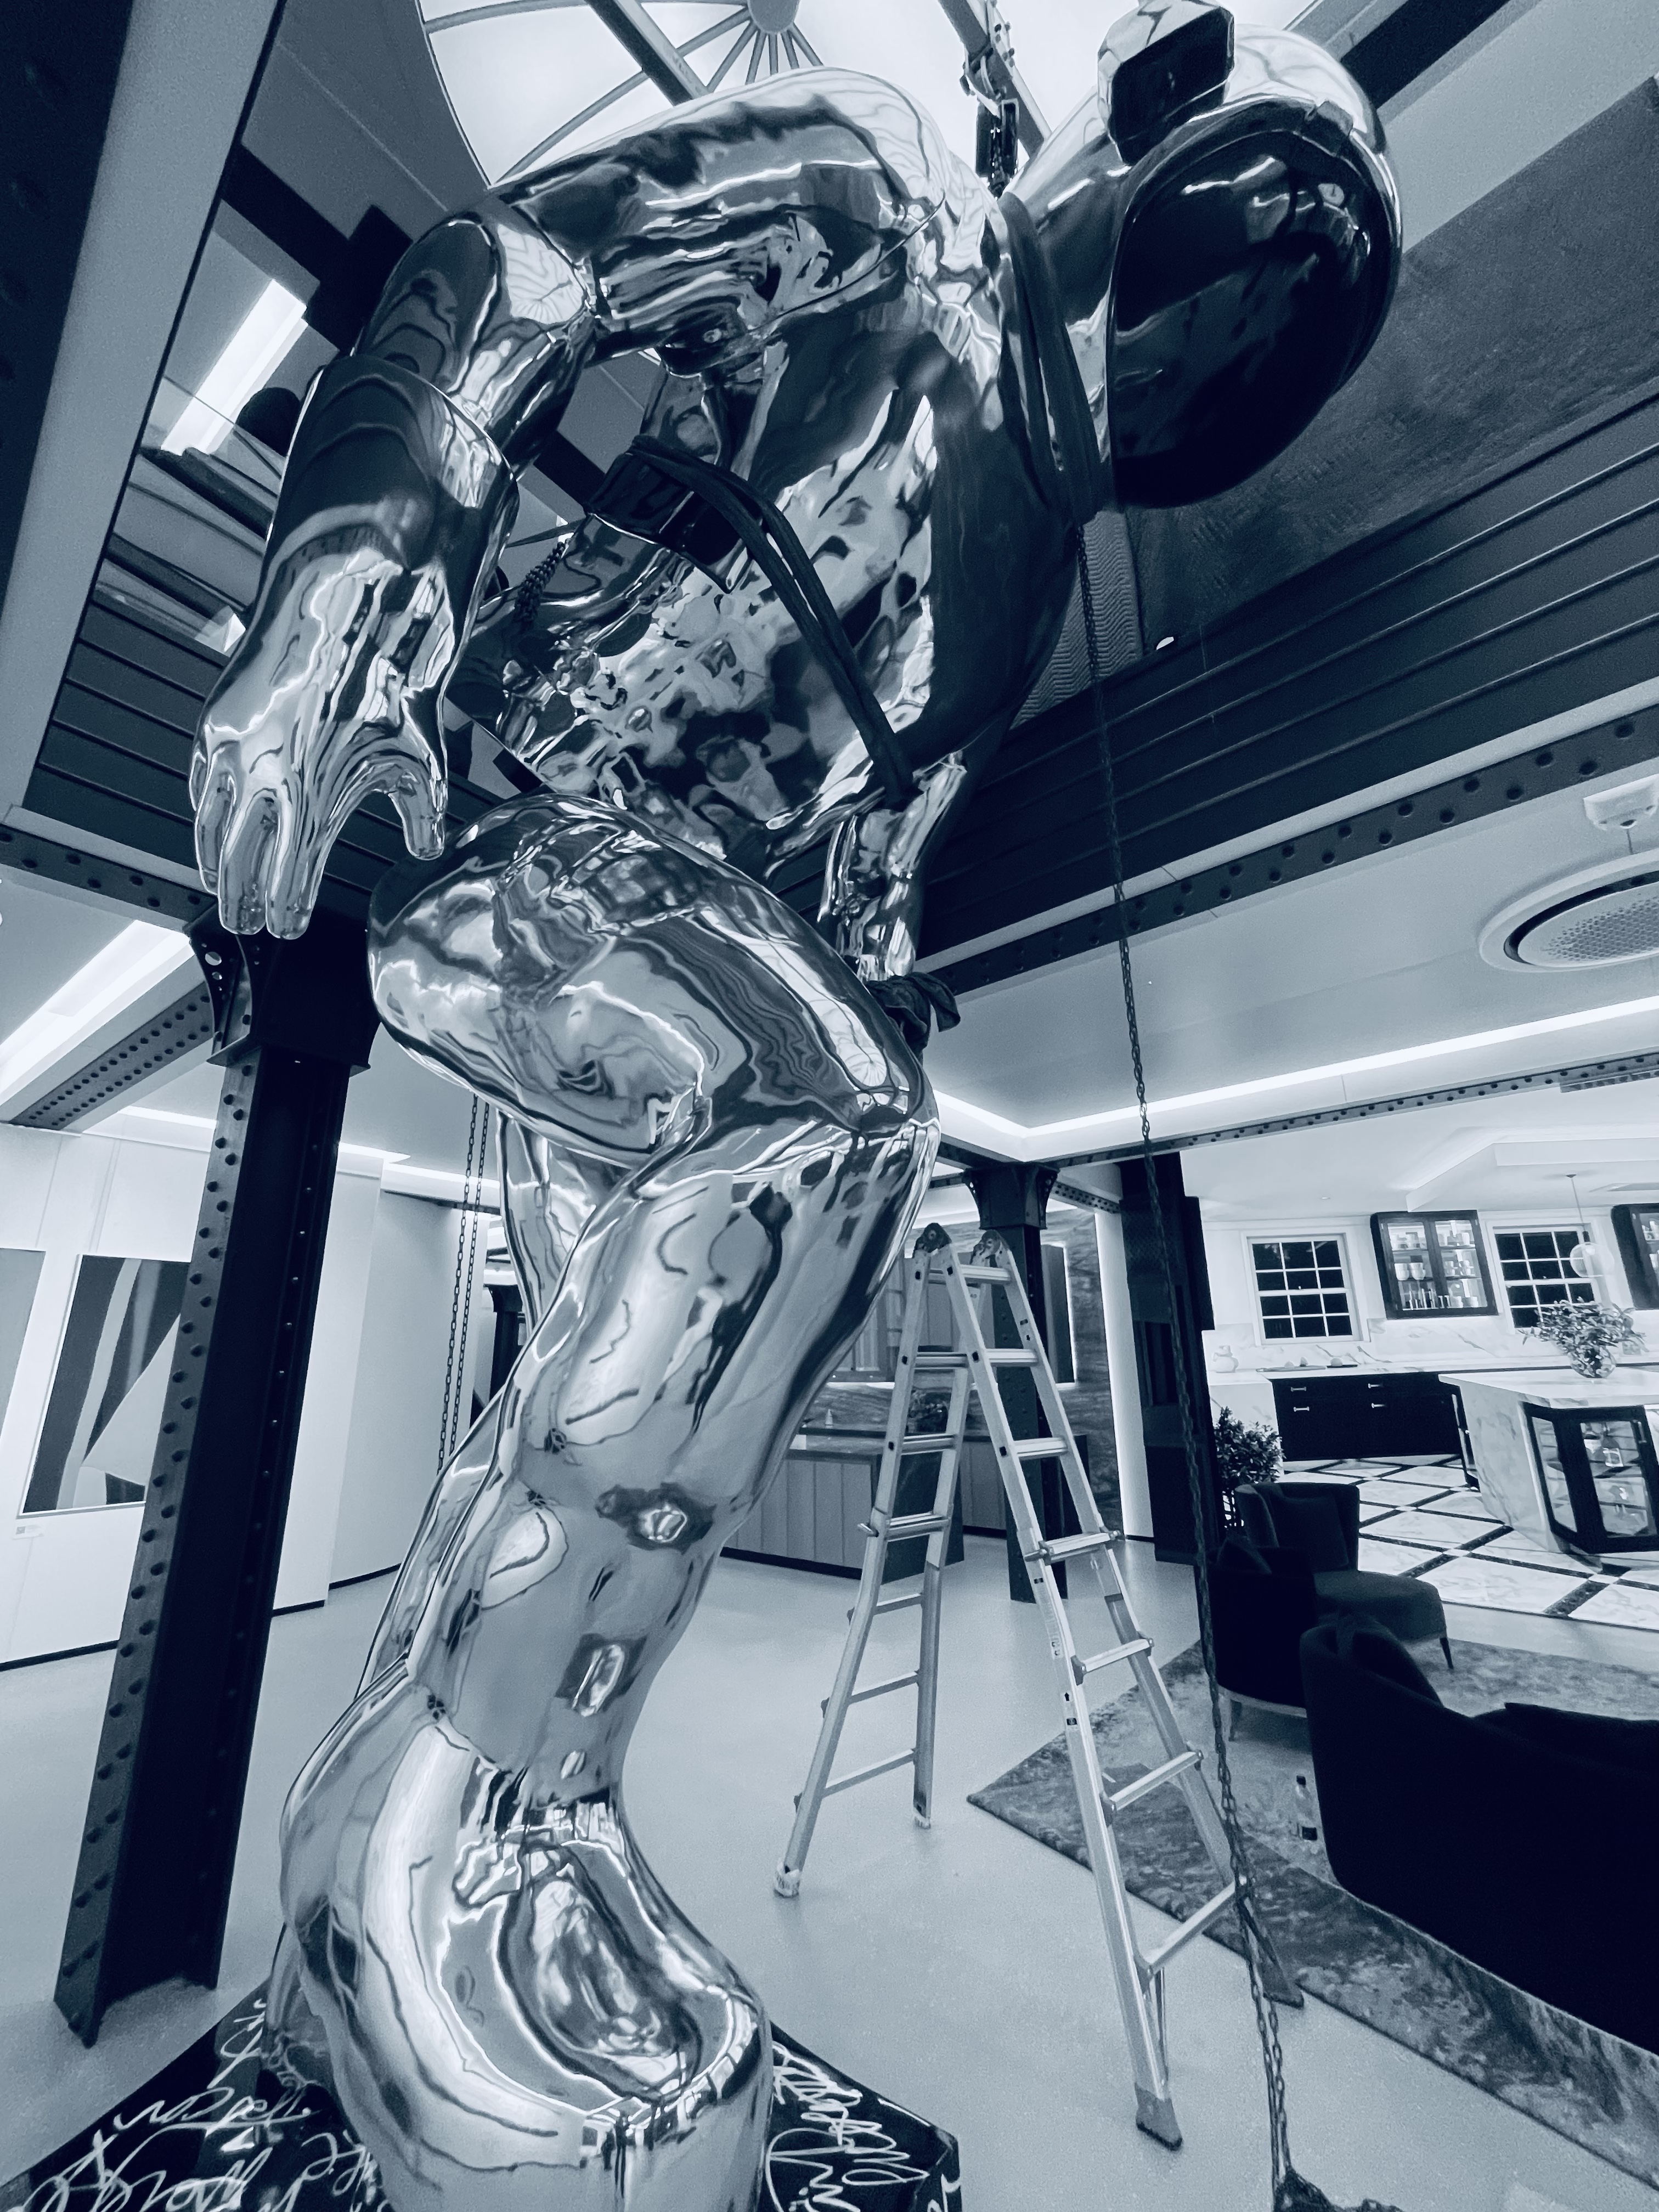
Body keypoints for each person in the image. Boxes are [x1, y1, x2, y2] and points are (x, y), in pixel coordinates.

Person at [193, 13, 1397, 2205]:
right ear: (1147, 136)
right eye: (1226, 292)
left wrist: (874, 963)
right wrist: (361, 562)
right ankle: (436, 1838)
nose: (1210, 367)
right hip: (538, 819)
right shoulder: (885, 188)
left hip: (711, 939)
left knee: (616, 1379)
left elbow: (872, 830)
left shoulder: (1036, 572)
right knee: (813, 1129)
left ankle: (434, 1857)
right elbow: (516, 267)